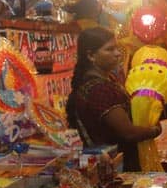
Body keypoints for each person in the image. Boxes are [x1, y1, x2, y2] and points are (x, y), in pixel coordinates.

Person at [65, 27, 161, 171]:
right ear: (91, 55)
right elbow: (128, 132)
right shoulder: (100, 89)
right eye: (109, 49)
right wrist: (156, 130)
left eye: (116, 48)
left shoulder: (103, 81)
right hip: (116, 168)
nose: (117, 54)